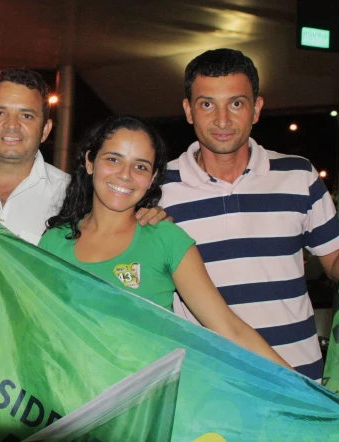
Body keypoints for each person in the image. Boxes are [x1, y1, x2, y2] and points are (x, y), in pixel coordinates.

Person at [0, 69, 166, 440]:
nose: (12, 124)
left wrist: (147, 213)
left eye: (27, 115)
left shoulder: (73, 196)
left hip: (34, 382)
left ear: (46, 129)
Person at [39, 115, 291, 369]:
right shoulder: (55, 242)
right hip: (69, 404)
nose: (125, 175)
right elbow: (38, 328)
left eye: (140, 166)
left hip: (146, 402)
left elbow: (228, 328)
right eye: (113, 159)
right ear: (90, 162)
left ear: (152, 178)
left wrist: (308, 393)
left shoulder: (166, 239)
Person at [160, 48, 339, 381]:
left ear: (256, 109)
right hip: (206, 384)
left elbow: (338, 265)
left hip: (299, 379)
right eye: (207, 104)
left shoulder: (298, 175)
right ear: (189, 110)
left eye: (236, 103)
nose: (222, 120)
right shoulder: (157, 188)